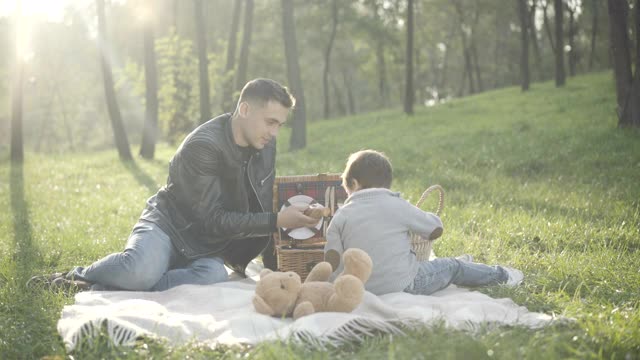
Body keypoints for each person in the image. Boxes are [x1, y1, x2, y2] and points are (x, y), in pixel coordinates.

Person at [29, 78, 318, 292]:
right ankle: (75, 275)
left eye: (280, 124)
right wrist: (276, 220)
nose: (274, 132)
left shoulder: (265, 146)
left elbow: (265, 201)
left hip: (207, 247)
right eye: (270, 122)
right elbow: (210, 219)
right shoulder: (203, 146)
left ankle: (98, 288)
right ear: (244, 109)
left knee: (213, 278)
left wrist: (274, 268)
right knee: (140, 271)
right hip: (167, 227)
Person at [323, 149, 524, 296]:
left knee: (439, 265)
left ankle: (473, 267)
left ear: (354, 184)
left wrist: (335, 287)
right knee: (452, 266)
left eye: (346, 187)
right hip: (405, 283)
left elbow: (332, 259)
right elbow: (434, 228)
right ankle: (502, 275)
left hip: (359, 287)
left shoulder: (341, 215)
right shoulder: (397, 205)